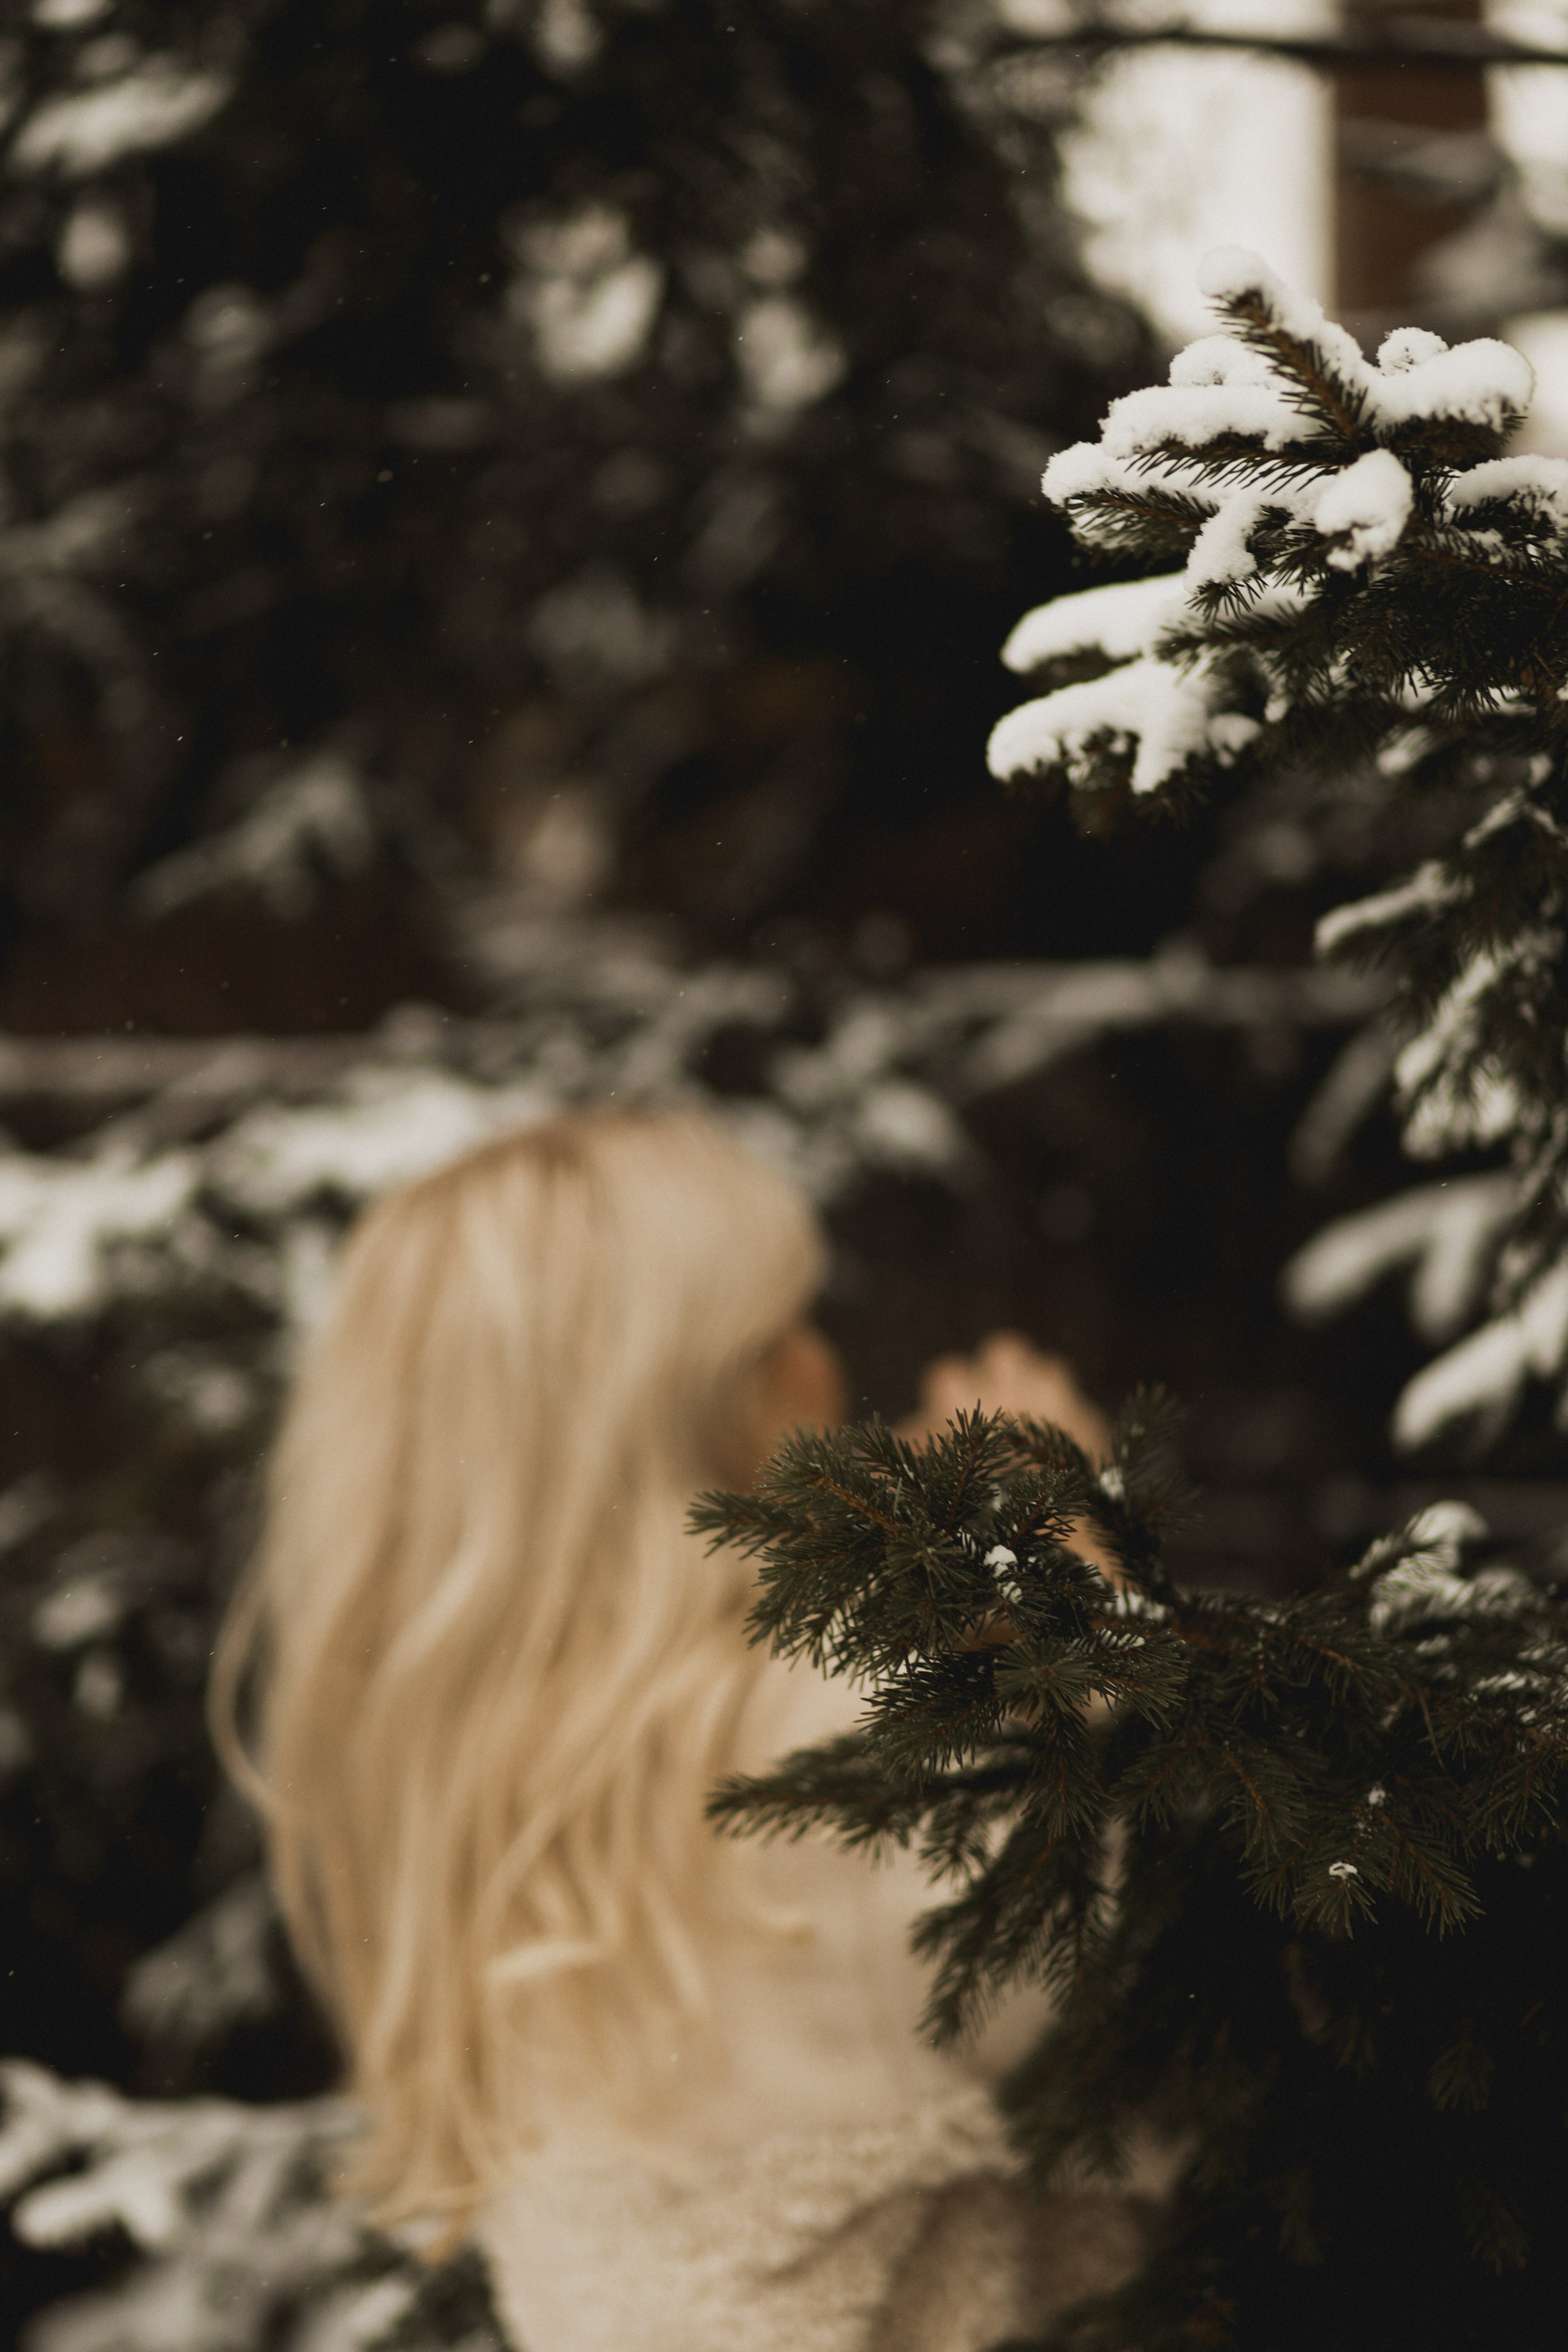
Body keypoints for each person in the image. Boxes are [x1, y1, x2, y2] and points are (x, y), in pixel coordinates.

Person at [212, 1108, 1144, 2352]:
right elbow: (1178, 1992)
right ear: (690, 1418)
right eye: (785, 1333)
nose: (825, 1369)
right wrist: (1069, 1581)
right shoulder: (842, 1757)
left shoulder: (486, 1777)